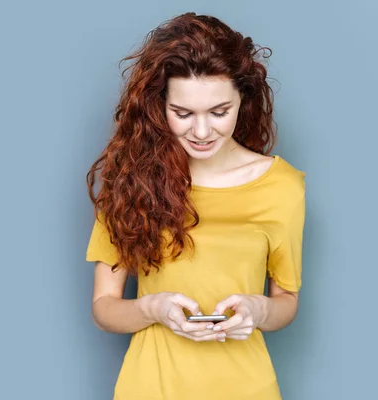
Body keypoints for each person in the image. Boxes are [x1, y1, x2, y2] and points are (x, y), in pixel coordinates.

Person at [85, 12, 306, 400]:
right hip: (150, 388)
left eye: (219, 112)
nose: (202, 132)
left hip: (247, 388)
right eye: (183, 114)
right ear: (159, 106)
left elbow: (286, 301)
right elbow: (104, 307)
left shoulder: (282, 187)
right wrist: (152, 308)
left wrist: (259, 311)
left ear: (243, 99)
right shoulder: (131, 180)